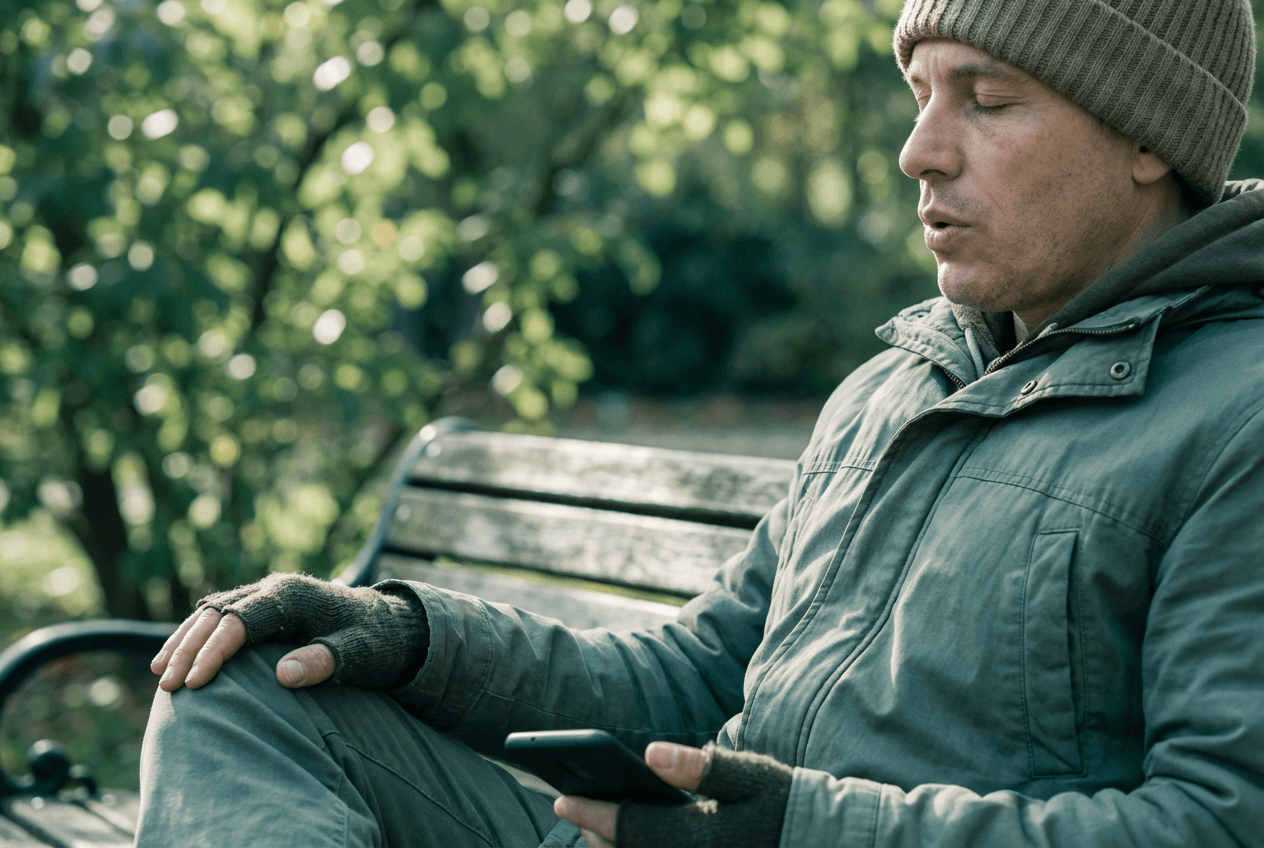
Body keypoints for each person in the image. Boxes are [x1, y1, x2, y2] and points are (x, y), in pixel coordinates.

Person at [136, 0, 1264, 845]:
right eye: (919, 94)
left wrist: (793, 826)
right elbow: (690, 673)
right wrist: (417, 635)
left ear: (1144, 136)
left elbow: (1217, 821)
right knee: (244, 683)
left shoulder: (1235, 415)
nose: (921, 148)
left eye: (988, 99)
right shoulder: (895, 388)